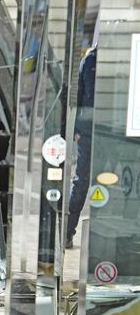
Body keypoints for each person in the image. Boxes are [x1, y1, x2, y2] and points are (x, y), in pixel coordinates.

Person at [66, 46, 97, 249]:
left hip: (111, 131)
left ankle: (101, 240)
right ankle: (67, 233)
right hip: (87, 130)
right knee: (82, 181)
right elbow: (78, 94)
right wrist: (76, 128)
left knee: (106, 182)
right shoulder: (90, 60)